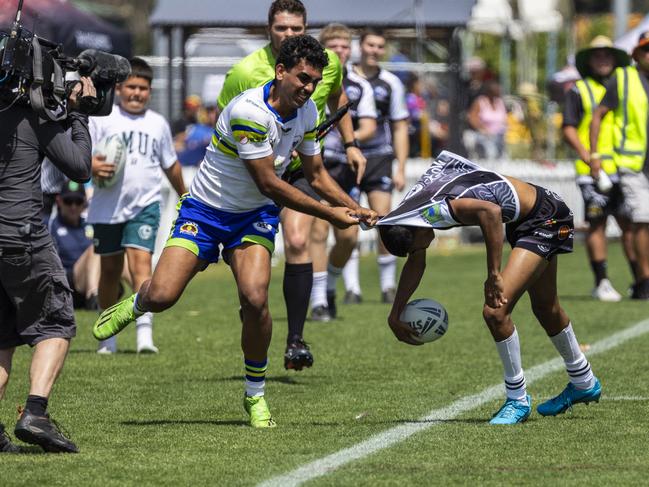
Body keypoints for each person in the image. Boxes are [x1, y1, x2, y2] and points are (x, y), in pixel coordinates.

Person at [92, 35, 377, 428]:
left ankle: (255, 395)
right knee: (163, 295)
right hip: (206, 211)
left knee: (256, 297)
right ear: (280, 71)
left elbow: (315, 174)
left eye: (314, 82)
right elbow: (270, 184)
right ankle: (138, 303)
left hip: (252, 217)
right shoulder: (250, 112)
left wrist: (353, 205)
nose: (309, 88)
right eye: (302, 78)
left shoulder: (308, 111)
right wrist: (332, 214)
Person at [377, 150, 601, 424]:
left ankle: (517, 400)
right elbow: (416, 261)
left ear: (415, 230)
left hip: (545, 218)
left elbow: (491, 212)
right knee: (546, 308)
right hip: (528, 218)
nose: (425, 247)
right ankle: (584, 382)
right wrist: (395, 311)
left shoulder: (437, 210)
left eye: (420, 245)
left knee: (495, 311)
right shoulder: (410, 215)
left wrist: (493, 273)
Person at [216, 0, 366, 371]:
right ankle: (252, 305)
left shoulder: (325, 62)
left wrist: (350, 144)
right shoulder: (244, 71)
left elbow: (337, 97)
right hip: (255, 171)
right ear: (269, 29)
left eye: (295, 29)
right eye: (281, 28)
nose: (288, 35)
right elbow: (224, 125)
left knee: (298, 240)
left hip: (300, 164)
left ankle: (295, 339)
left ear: (305, 27)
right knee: (253, 282)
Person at [0, 76, 96, 453]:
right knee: (56, 321)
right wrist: (78, 115)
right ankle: (35, 412)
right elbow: (80, 167)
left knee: (3, 337)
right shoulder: (31, 118)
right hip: (22, 236)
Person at [89, 57, 187, 354]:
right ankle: (109, 337)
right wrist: (91, 165)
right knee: (109, 271)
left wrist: (186, 196)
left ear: (150, 91)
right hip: (107, 207)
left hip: (144, 205)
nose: (136, 93)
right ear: (119, 89)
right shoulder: (102, 119)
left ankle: (145, 335)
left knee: (141, 265)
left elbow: (171, 166)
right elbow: (80, 154)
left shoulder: (157, 123)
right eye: (131, 87)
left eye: (143, 88)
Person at [308, 23, 377, 321]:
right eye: (334, 47)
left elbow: (371, 125)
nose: (340, 52)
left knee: (349, 237)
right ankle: (319, 300)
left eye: (345, 47)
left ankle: (331, 284)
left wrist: (350, 140)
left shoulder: (361, 86)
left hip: (348, 167)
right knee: (319, 230)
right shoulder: (313, 80)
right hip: (320, 164)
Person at [338, 28, 409, 306]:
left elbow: (400, 126)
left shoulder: (391, 83)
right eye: (370, 45)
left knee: (384, 219)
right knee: (350, 222)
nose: (374, 50)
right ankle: (352, 288)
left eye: (380, 46)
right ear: (360, 46)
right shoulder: (344, 79)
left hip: (379, 158)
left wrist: (401, 166)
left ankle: (388, 286)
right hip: (345, 158)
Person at [563, 36, 635, 302]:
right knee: (597, 224)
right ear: (589, 61)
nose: (603, 59)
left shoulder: (627, 86)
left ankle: (640, 279)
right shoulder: (578, 90)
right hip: (592, 170)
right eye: (597, 55)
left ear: (615, 59)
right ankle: (601, 281)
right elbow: (568, 127)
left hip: (625, 167)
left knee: (632, 224)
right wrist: (588, 156)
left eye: (607, 54)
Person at [590, 31, 649, 300]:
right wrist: (594, 155)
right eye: (646, 50)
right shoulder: (624, 78)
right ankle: (645, 279)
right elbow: (598, 116)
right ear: (637, 54)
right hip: (633, 163)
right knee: (641, 220)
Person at [49, 181, 100, 310]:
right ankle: (92, 296)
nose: (73, 206)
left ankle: (143, 292)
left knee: (120, 248)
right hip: (69, 281)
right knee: (96, 247)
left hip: (95, 274)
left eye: (77, 201)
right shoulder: (50, 226)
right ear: (59, 201)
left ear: (84, 203)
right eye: (68, 201)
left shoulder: (89, 224)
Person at [467, 79, 508, 159]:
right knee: (491, 152)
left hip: (500, 136)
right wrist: (483, 129)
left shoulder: (500, 102)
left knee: (503, 156)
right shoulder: (480, 102)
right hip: (484, 136)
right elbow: (472, 118)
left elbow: (505, 119)